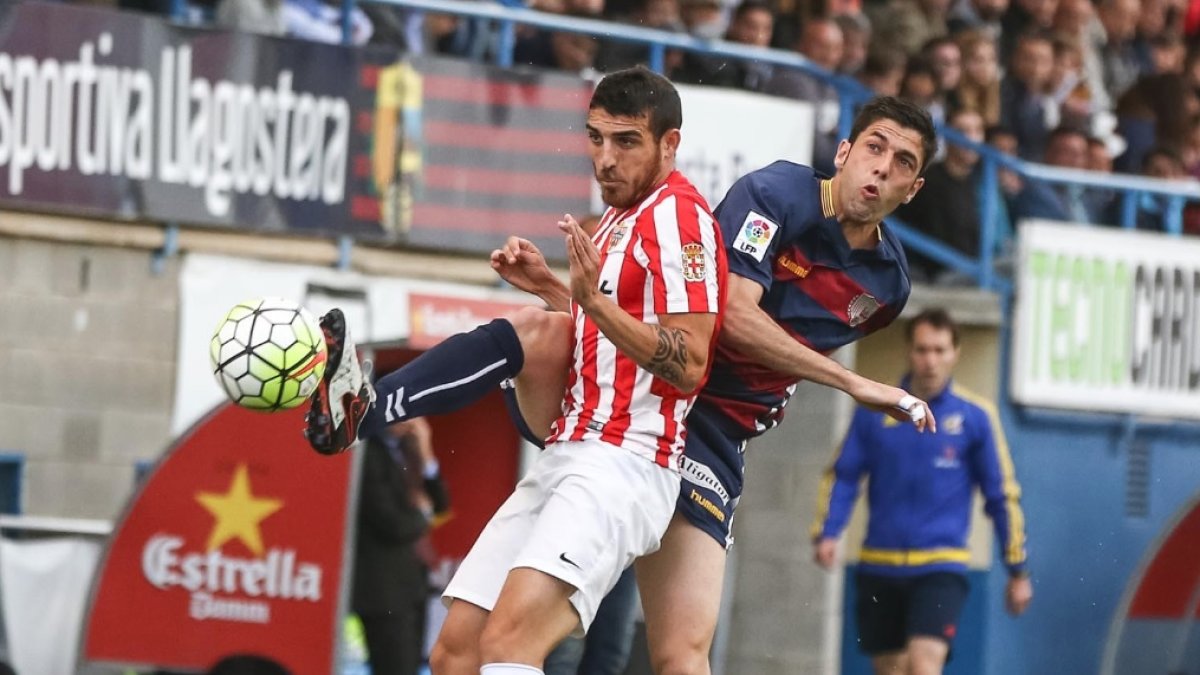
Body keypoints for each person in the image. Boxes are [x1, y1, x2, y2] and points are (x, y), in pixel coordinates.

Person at [306, 95, 938, 675]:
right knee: (537, 333)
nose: (881, 169)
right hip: (640, 405)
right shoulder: (771, 194)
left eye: (901, 161)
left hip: (705, 440)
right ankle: (363, 408)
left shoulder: (886, 288)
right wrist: (857, 385)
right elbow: (729, 317)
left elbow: (667, 323)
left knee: (679, 655)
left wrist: (571, 296)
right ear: (844, 152)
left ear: (915, 188)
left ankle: (364, 410)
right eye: (874, 148)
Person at [309, 66, 728, 675]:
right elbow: (606, 335)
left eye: (626, 141)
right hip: (566, 451)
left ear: (670, 145)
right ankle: (362, 411)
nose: (605, 159)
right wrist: (555, 289)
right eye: (595, 138)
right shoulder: (617, 215)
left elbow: (689, 364)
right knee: (456, 652)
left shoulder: (681, 221)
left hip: (625, 466)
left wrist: (592, 303)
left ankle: (368, 410)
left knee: (511, 645)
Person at [811, 308, 1032, 675]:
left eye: (940, 350)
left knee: (923, 665)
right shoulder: (875, 409)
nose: (930, 360)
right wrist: (829, 531)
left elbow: (1001, 495)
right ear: (909, 352)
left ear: (955, 353)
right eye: (922, 349)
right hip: (879, 563)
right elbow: (844, 474)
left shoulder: (976, 417)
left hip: (940, 566)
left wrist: (1017, 569)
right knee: (890, 669)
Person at [352, 418, 450, 675]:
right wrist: (423, 514)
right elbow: (391, 523)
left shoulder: (409, 448)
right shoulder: (366, 452)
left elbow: (440, 502)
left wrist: (426, 449)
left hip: (413, 586)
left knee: (412, 664)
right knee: (394, 666)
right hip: (382, 589)